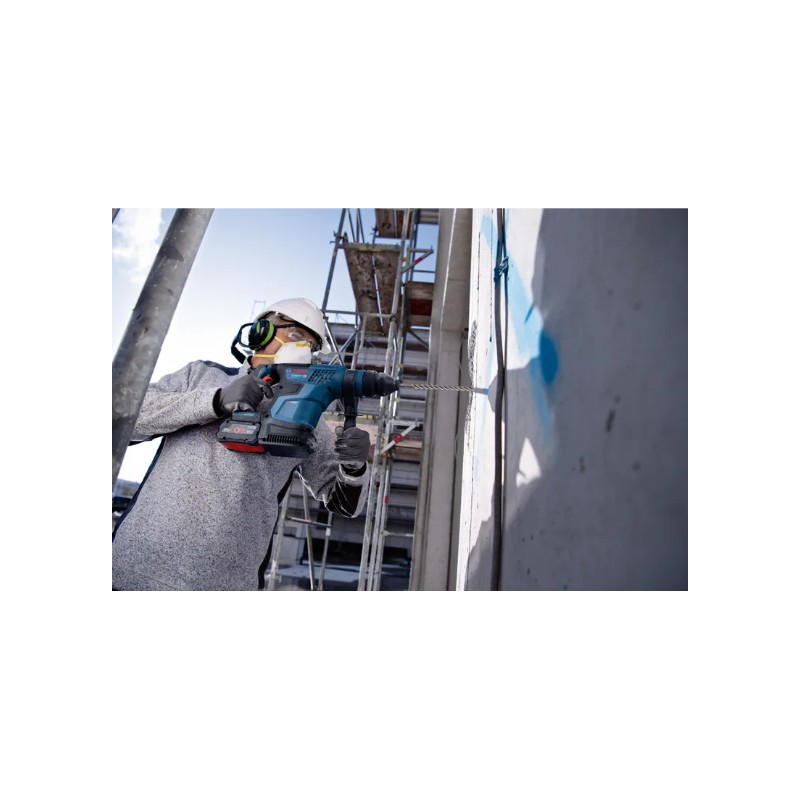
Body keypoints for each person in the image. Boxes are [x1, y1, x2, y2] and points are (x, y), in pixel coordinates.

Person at [112, 298, 371, 591]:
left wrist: (354, 467)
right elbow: (122, 420)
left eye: (311, 346)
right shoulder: (201, 375)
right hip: (132, 573)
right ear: (261, 332)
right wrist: (215, 400)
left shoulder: (308, 413)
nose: (303, 349)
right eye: (296, 335)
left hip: (226, 585)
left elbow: (344, 504)